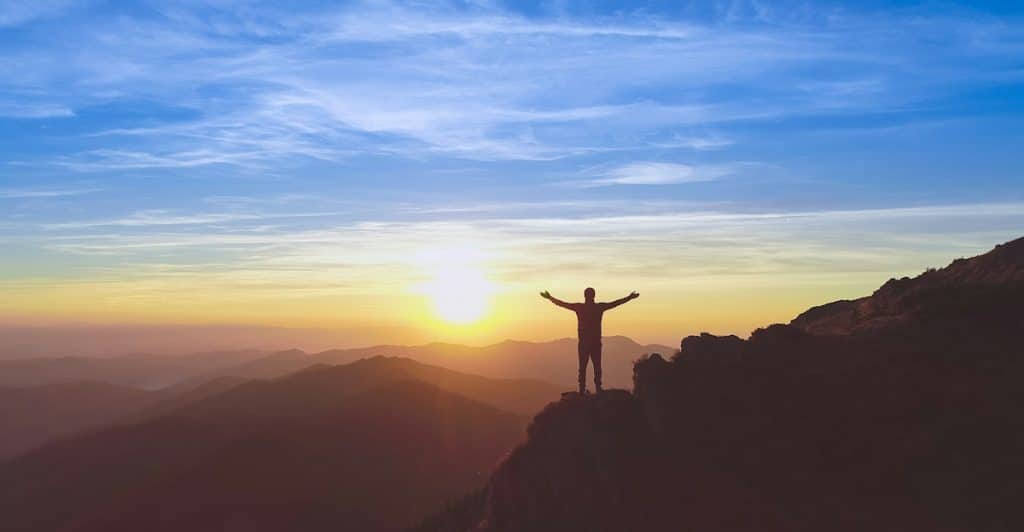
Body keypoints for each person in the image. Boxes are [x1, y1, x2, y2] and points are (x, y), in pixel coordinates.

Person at [540, 287, 639, 394]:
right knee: (597, 367)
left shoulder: (580, 307)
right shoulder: (599, 307)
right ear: (594, 295)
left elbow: (563, 304)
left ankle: (582, 390)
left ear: (585, 296)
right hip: (595, 343)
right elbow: (615, 303)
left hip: (583, 343)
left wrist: (550, 298)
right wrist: (629, 297)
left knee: (583, 367)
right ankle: (598, 388)